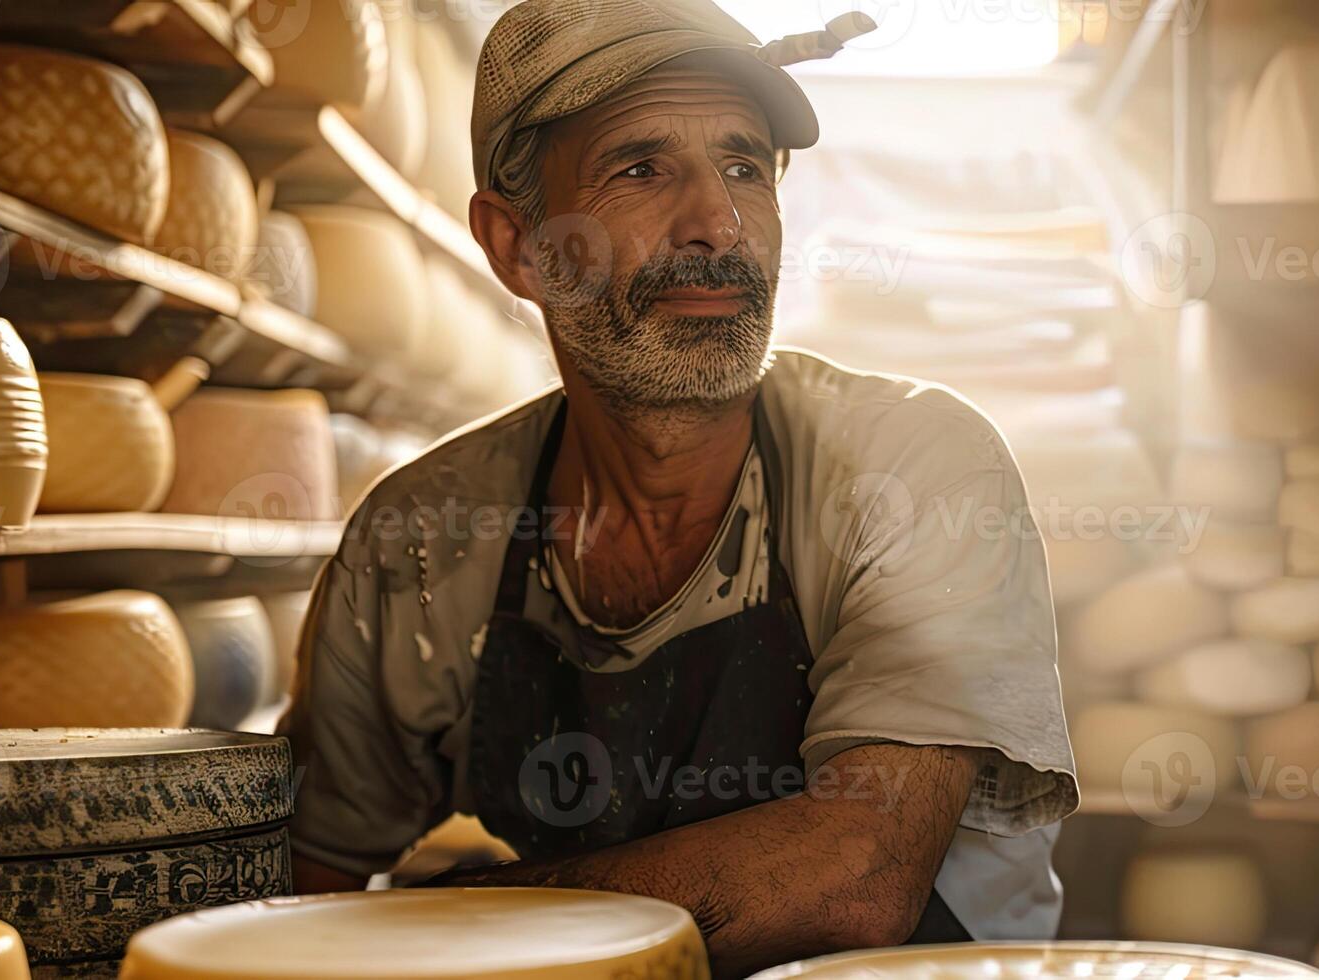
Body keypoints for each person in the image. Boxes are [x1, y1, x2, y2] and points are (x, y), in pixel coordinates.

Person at [280, 1, 1075, 974]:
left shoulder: (912, 466)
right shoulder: (419, 538)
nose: (718, 223)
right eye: (640, 168)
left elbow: (852, 874)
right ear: (516, 247)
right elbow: (303, 886)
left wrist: (442, 917)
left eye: (745, 166)